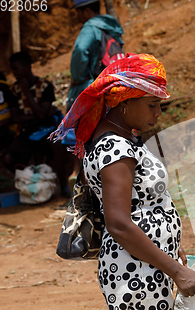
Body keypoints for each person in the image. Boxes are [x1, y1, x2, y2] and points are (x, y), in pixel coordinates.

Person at [50, 53, 195, 310]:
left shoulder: (122, 139)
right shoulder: (115, 149)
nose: (158, 113)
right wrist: (178, 271)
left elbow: (139, 205)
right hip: (136, 272)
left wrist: (168, 244)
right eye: (152, 105)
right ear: (124, 102)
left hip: (145, 264)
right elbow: (119, 224)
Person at [65, 0, 124, 190]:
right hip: (112, 89)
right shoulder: (112, 28)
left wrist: (79, 77)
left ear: (87, 10)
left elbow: (81, 50)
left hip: (93, 88)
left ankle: (84, 188)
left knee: (84, 137)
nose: (78, 17)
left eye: (79, 12)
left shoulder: (90, 27)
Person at [3, 52, 70, 196]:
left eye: (16, 68)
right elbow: (17, 117)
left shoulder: (45, 86)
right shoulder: (13, 90)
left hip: (46, 128)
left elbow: (40, 115)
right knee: (8, 158)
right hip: (27, 132)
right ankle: (33, 179)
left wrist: (27, 93)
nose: (13, 73)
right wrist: (41, 114)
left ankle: (63, 184)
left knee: (55, 146)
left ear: (26, 67)